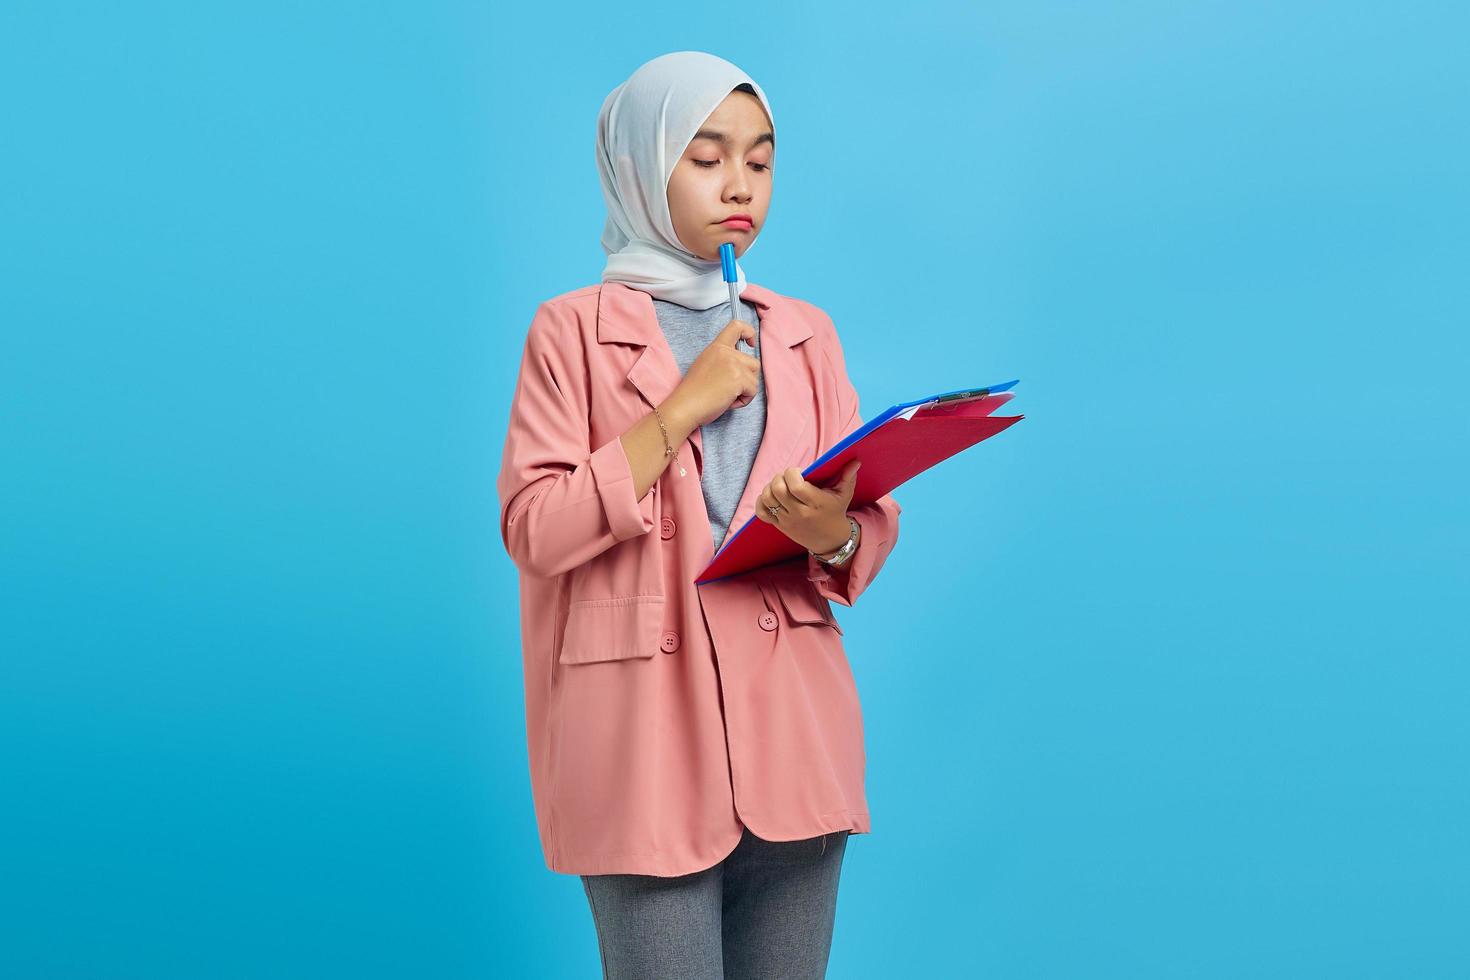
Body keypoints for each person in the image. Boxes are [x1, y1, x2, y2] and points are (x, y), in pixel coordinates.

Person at [496, 50, 902, 980]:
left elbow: (866, 527)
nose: (740, 186)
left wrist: (829, 533)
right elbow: (536, 527)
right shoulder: (570, 330)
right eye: (707, 156)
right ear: (644, 163)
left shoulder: (802, 332)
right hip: (639, 745)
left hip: (798, 743)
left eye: (760, 162)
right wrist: (679, 408)